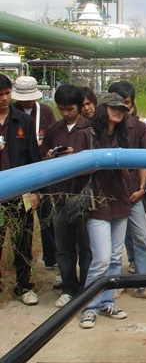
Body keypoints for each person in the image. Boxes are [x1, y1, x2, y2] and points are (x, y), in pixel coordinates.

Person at [78, 93, 132, 329]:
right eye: (113, 107)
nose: (118, 111)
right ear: (103, 110)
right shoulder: (87, 135)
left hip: (119, 200)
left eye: (121, 108)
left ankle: (107, 301)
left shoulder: (122, 136)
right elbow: (78, 169)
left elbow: (127, 174)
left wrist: (122, 162)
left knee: (115, 258)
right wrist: (103, 160)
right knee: (100, 259)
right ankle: (89, 307)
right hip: (97, 202)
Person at [108, 81, 146, 301]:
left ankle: (144, 283)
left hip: (134, 194)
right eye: (117, 104)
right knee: (114, 244)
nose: (122, 108)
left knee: (141, 238)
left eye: (126, 103)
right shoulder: (104, 127)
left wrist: (142, 188)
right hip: (111, 195)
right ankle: (113, 284)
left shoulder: (139, 128)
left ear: (132, 103)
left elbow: (145, 160)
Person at [40, 84, 92, 308]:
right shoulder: (53, 130)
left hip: (85, 197)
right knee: (64, 246)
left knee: (87, 246)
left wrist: (76, 157)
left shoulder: (90, 129)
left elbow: (96, 161)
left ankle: (87, 288)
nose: (66, 113)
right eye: (61, 109)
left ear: (79, 106)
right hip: (60, 195)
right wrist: (50, 156)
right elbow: (43, 158)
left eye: (70, 109)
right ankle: (69, 288)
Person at [0, 74, 40, 306]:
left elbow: (33, 157)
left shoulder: (22, 120)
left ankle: (24, 286)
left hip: (20, 192)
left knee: (23, 240)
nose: (5, 98)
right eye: (0, 95)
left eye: (7, 93)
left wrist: (34, 190)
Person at [12, 76, 57, 270]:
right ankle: (22, 259)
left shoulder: (45, 111)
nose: (27, 102)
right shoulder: (13, 112)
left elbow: (53, 135)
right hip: (20, 171)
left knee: (47, 215)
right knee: (22, 220)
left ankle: (51, 257)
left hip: (43, 169)